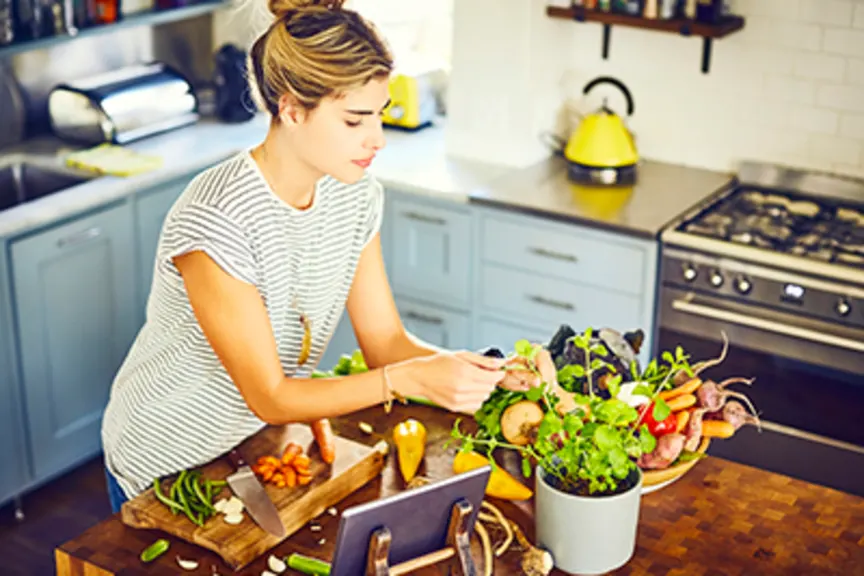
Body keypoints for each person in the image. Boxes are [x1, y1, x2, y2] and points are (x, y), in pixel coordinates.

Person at [99, 0, 541, 514]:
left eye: (380, 114)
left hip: (246, 445)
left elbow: (385, 343)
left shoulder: (354, 194)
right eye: (355, 120)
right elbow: (270, 393)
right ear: (290, 109)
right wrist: (408, 380)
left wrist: (477, 371)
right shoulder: (217, 218)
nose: (376, 138)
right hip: (163, 457)